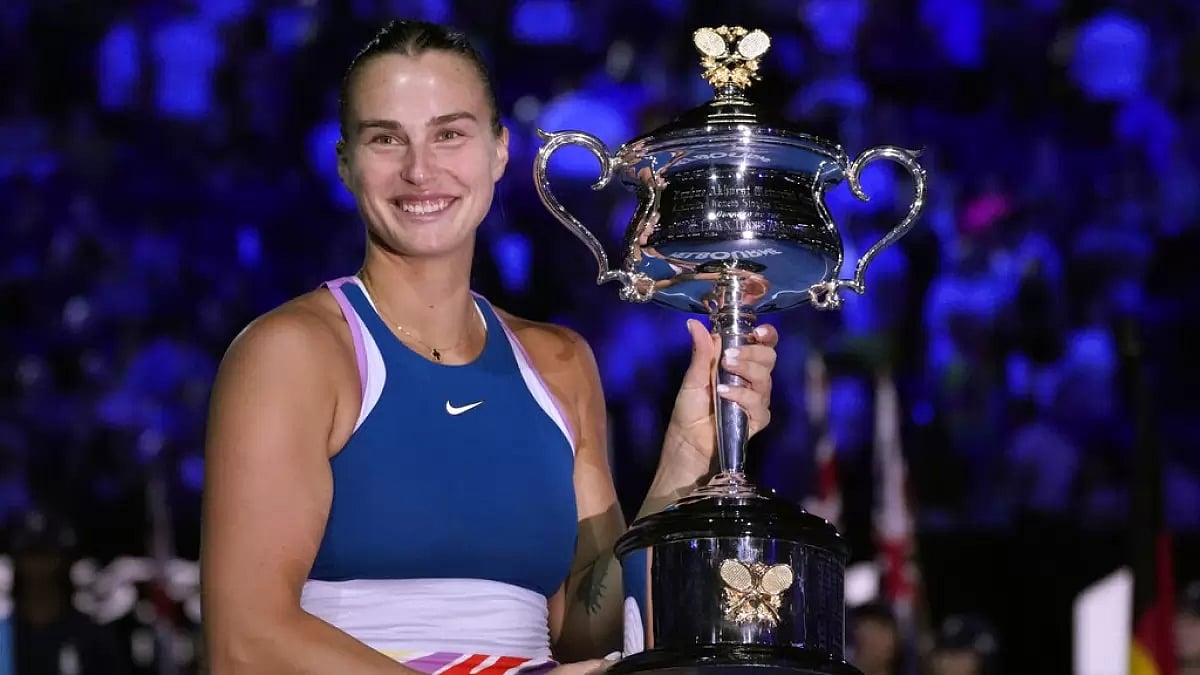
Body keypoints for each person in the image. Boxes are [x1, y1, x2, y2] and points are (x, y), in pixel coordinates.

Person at [199, 19, 780, 675]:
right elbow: (244, 644)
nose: (420, 170)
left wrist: (685, 462)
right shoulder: (292, 355)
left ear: (499, 152)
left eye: (449, 134)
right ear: (345, 163)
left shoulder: (560, 365)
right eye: (386, 138)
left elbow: (590, 631)